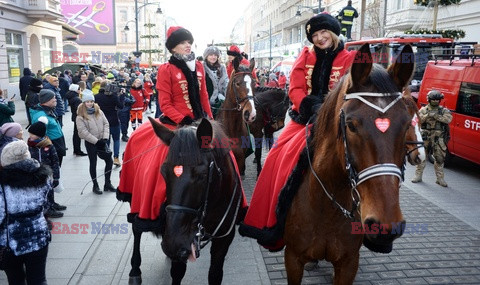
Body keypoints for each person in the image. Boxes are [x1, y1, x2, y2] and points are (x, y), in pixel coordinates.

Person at [239, 13, 356, 252]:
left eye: (323, 33)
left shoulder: (349, 57)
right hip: (304, 118)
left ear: (332, 32)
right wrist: (308, 105)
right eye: (314, 35)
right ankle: (272, 221)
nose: (320, 38)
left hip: (337, 117)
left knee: (364, 157)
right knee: (276, 156)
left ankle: (371, 224)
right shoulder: (305, 55)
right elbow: (295, 88)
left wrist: (330, 109)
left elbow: (354, 89)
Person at [0, 140, 51, 285]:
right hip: (39, 237)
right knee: (39, 279)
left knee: (15, 280)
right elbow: (46, 205)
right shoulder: (44, 177)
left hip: (11, 242)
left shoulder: (3, 185)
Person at [76, 89, 115, 195]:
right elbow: (82, 132)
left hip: (102, 141)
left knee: (109, 161)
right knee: (93, 163)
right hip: (91, 143)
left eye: (91, 101)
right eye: (87, 102)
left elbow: (106, 124)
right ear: (84, 103)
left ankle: (107, 183)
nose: (89, 103)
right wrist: (96, 142)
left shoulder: (99, 111)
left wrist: (105, 138)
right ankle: (95, 185)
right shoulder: (80, 116)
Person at [411, 90, 452, 187]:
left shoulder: (443, 110)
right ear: (429, 99)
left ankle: (440, 179)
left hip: (438, 138)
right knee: (421, 157)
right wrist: (428, 115)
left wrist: (437, 116)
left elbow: (448, 119)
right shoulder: (423, 110)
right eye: (433, 99)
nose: (435, 101)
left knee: (439, 158)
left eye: (437, 100)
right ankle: (418, 176)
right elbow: (417, 120)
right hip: (425, 137)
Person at [27, 117, 67, 218]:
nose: (30, 136)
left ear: (39, 135)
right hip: (36, 173)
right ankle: (46, 208)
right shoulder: (29, 145)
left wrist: (56, 177)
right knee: (41, 192)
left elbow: (55, 161)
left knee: (49, 190)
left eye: (32, 134)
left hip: (47, 173)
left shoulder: (49, 145)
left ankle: (51, 206)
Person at [30, 89, 67, 167]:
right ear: (47, 100)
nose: (55, 99)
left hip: (56, 144)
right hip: (52, 145)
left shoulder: (48, 110)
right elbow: (39, 136)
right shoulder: (41, 115)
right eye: (53, 98)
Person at [95, 80, 123, 166]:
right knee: (116, 139)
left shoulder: (96, 97)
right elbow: (121, 106)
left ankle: (108, 157)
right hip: (114, 120)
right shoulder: (113, 96)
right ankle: (116, 157)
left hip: (102, 122)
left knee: (106, 140)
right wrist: (121, 96)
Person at [203, 45, 228, 118]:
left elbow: (226, 83)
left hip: (221, 101)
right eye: (210, 55)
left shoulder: (222, 68)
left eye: (215, 55)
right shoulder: (202, 67)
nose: (213, 57)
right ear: (206, 56)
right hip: (206, 101)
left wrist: (226, 97)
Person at [65, 84, 87, 156]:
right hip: (78, 118)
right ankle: (78, 150)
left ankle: (76, 149)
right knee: (77, 135)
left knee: (76, 134)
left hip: (75, 116)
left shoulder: (72, 97)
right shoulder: (77, 99)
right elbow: (80, 109)